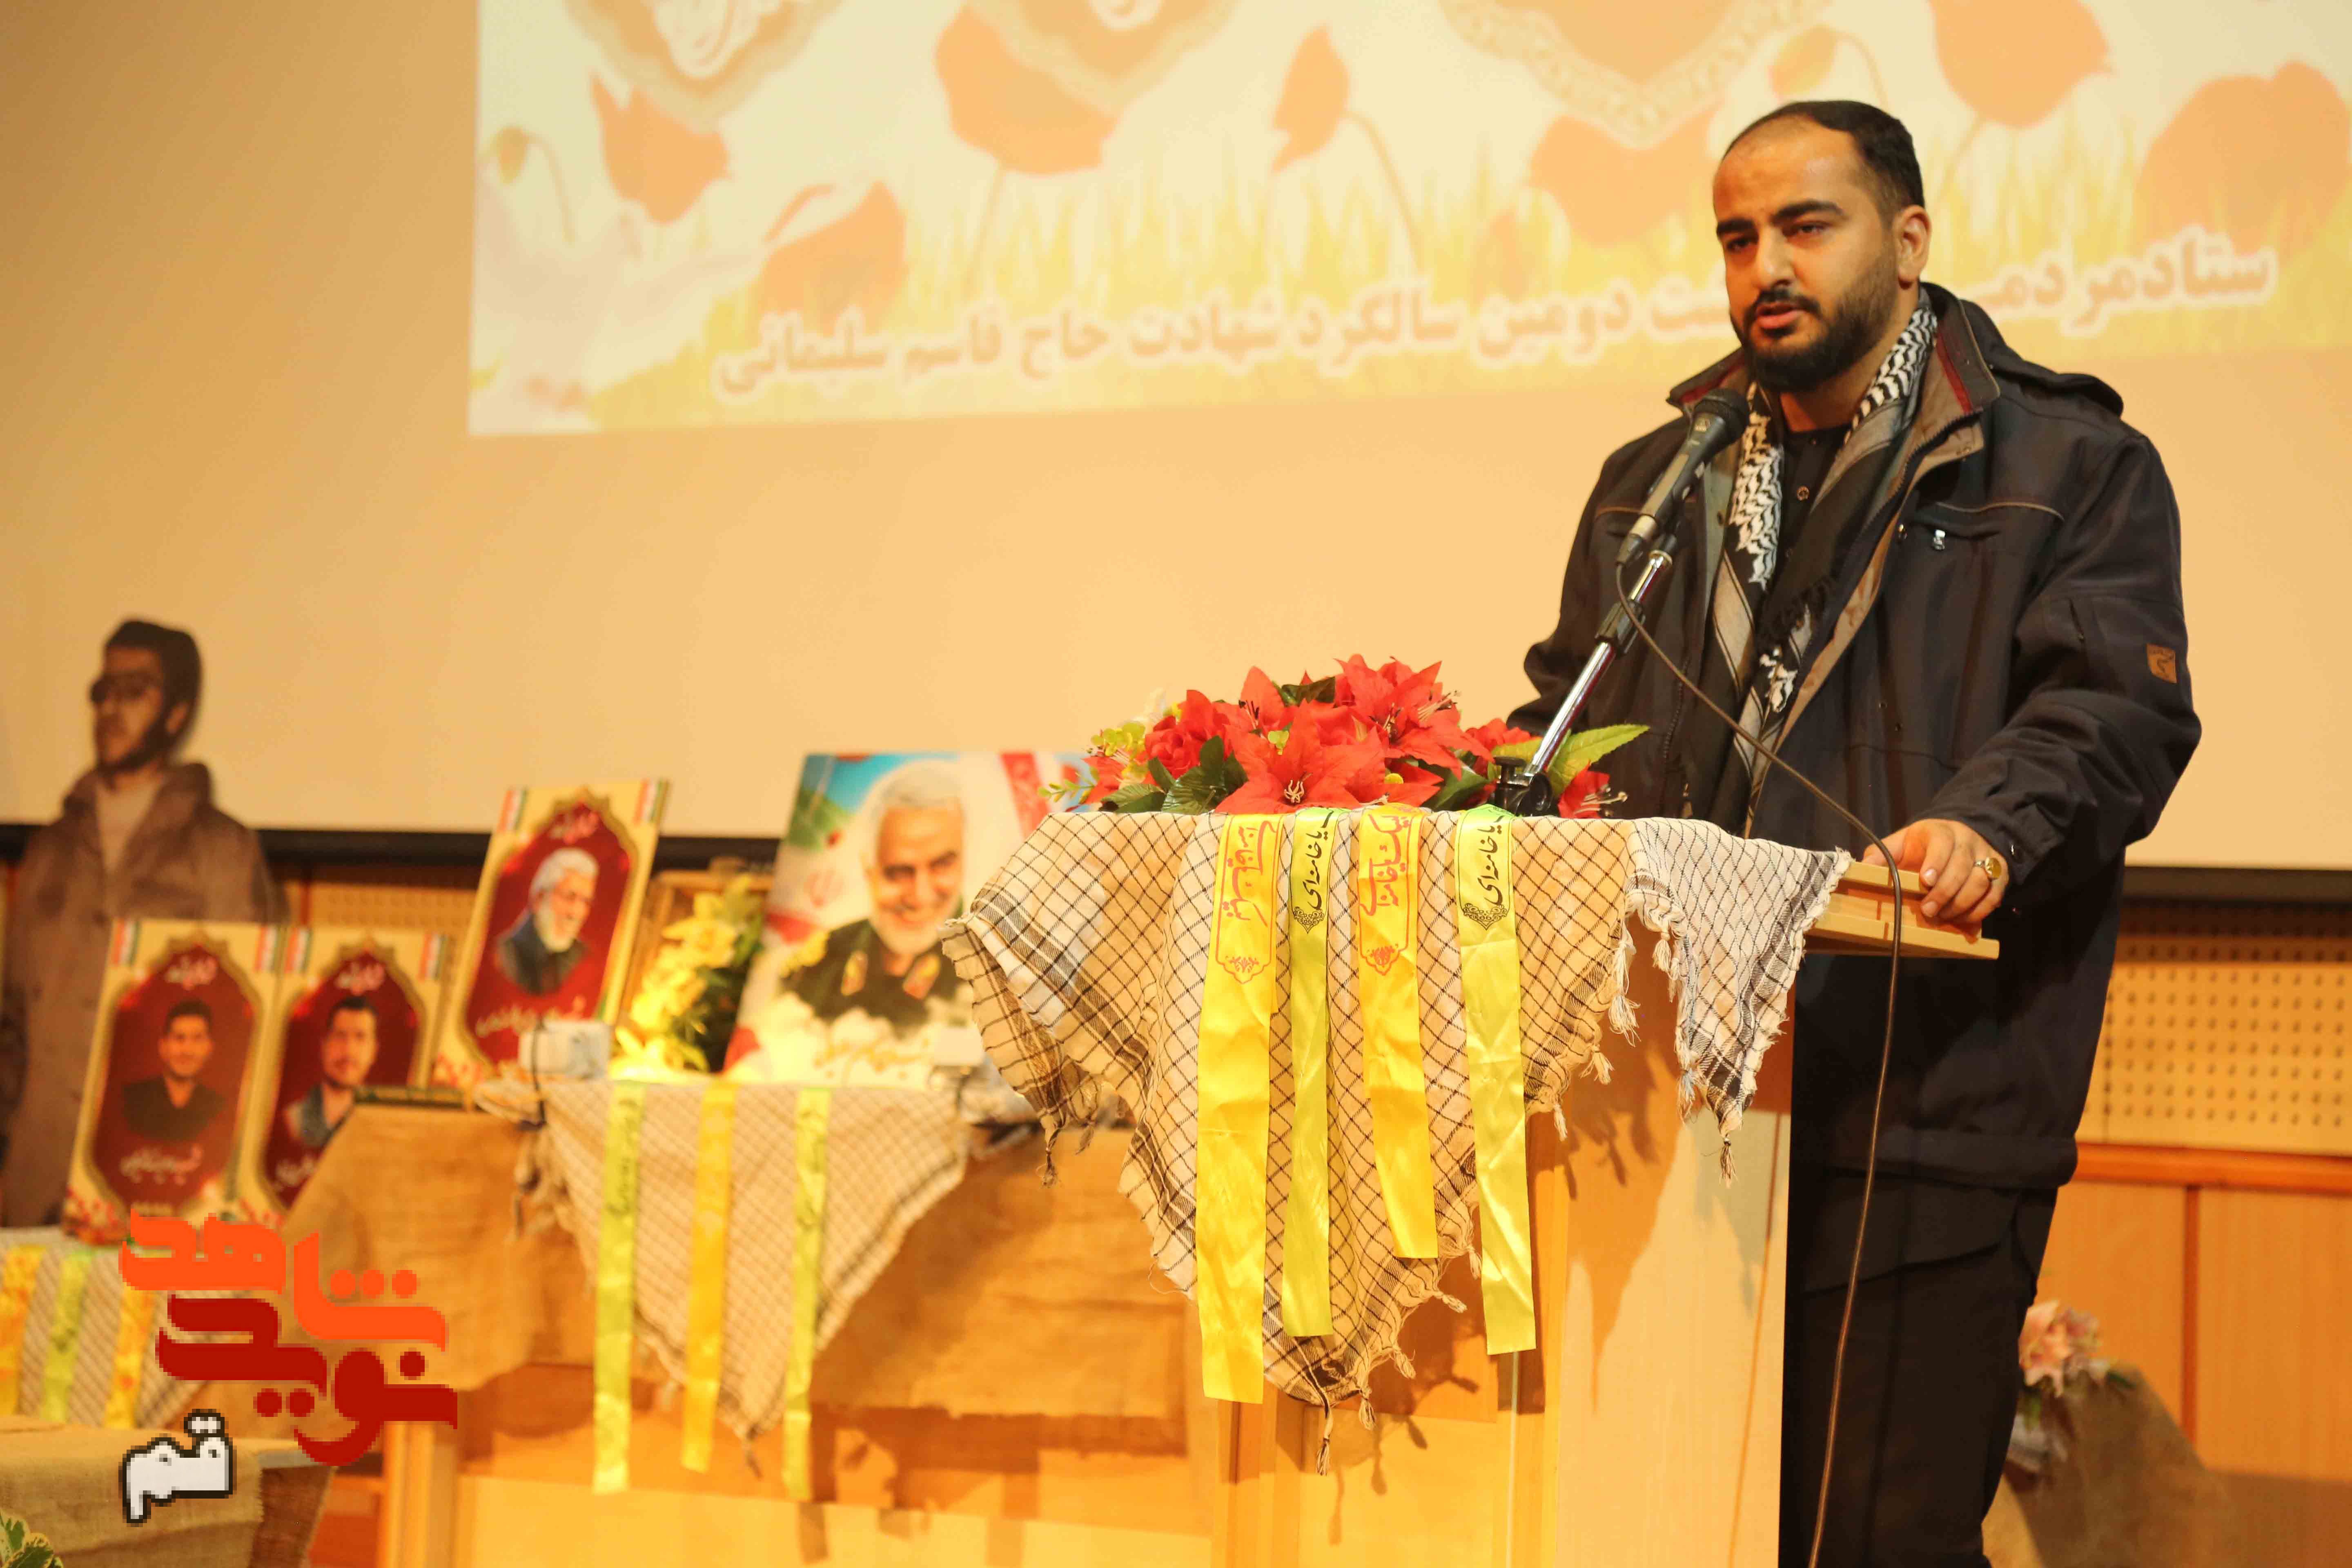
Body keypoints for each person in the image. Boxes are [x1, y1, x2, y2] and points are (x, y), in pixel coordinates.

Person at [1511, 101, 2198, 1566]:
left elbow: (2112, 713)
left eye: (1804, 226)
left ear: (1907, 238)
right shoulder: (1655, 484)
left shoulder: (2068, 464)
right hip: (1663, 1118)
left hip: (1918, 1108)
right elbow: (1565, 725)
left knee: (1874, 1543)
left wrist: (1985, 828)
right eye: (1735, 236)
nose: (1764, 264)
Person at [0, 620, 283, 1226]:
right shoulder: (50, 851)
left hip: (159, 1187)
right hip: (32, 1186)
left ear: (177, 714)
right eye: (103, 691)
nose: (112, 708)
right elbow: (11, 1027)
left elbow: (251, 1030)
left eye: (136, 691)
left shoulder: (222, 852)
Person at [781, 765, 967, 1030]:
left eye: (942, 866)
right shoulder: (818, 962)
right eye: (898, 872)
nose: (921, 896)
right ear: (869, 871)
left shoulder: (991, 970)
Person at [120, 998, 228, 1144]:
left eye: (198, 1039)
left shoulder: (218, 1107)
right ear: (163, 1047)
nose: (187, 1051)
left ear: (209, 1048)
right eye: (179, 1038)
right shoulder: (132, 1100)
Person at [494, 848, 600, 995]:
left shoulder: (583, 957)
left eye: (586, 902)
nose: (577, 913)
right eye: (569, 897)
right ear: (539, 898)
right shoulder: (503, 955)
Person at [282, 995, 379, 1149]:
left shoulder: (379, 1128)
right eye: (340, 1036)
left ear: (374, 1050)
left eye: (360, 1037)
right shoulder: (294, 1120)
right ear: (324, 1046)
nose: (349, 1050)